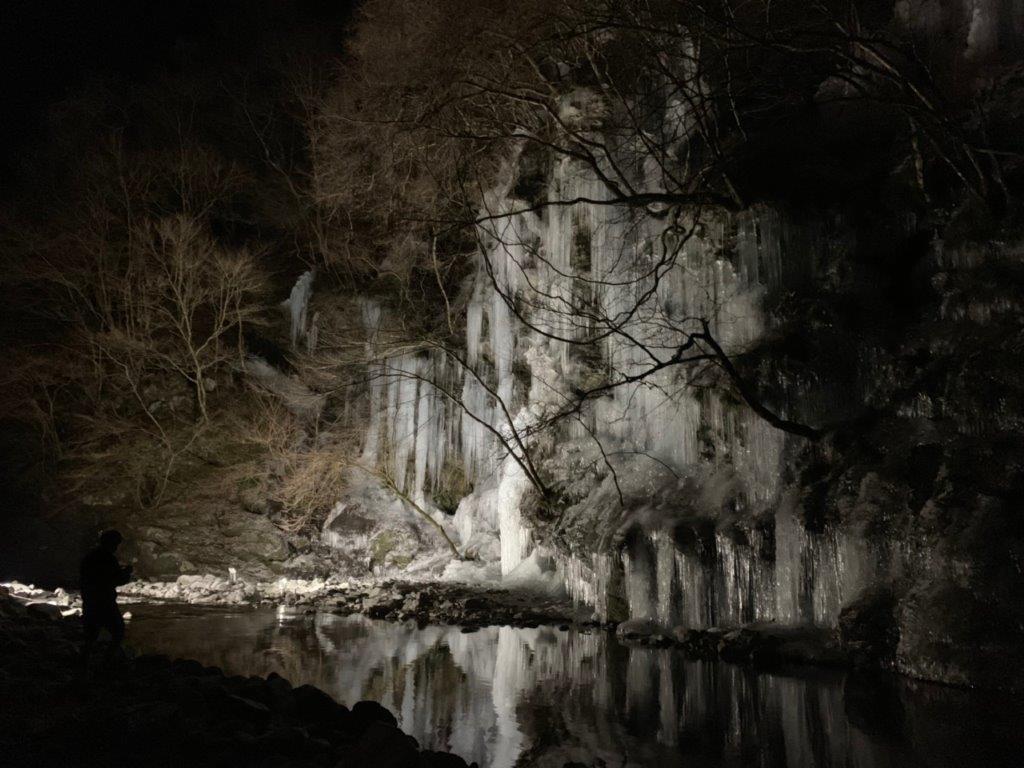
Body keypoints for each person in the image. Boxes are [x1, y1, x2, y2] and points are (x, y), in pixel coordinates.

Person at [80, 529, 133, 666]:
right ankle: (107, 662)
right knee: (118, 631)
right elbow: (117, 579)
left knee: (90, 636)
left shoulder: (90, 557)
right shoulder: (108, 558)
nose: (116, 547)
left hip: (90, 601)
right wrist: (127, 572)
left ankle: (83, 665)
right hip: (105, 602)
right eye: (116, 544)